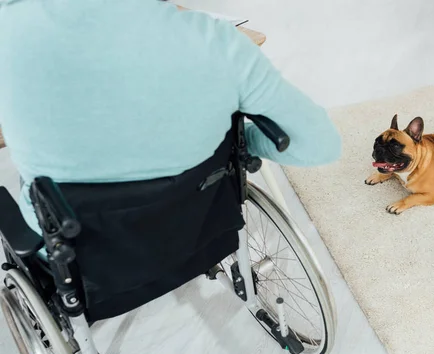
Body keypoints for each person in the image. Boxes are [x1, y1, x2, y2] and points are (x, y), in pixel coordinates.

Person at [0, 0, 341, 231]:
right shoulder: (218, 39)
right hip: (195, 225)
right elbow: (319, 145)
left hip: (77, 245)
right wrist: (241, 142)